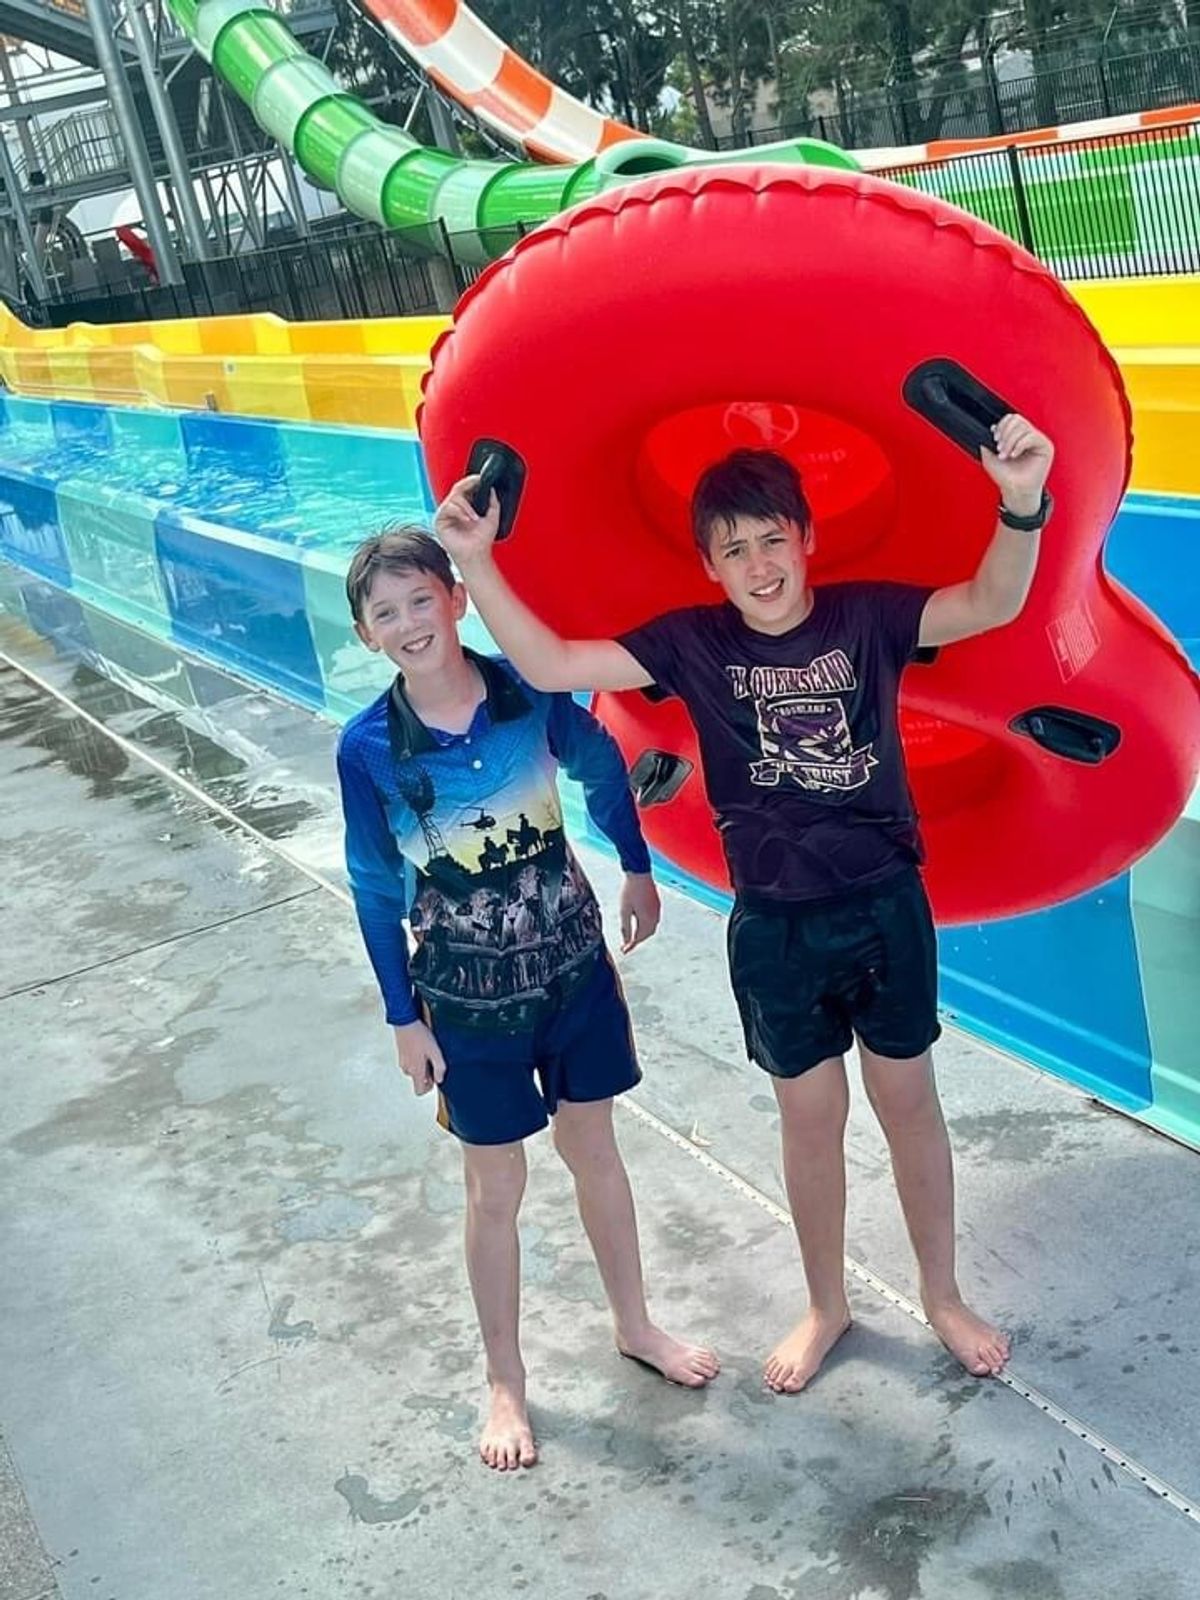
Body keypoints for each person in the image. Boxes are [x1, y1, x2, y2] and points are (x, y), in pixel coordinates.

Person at [435, 413, 1055, 1394]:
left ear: (806, 538)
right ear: (709, 565)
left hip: (885, 904)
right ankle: (827, 1303)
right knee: (810, 1118)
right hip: (776, 922)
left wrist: (1021, 502)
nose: (759, 564)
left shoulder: (867, 618)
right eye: (734, 549)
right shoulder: (694, 642)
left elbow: (990, 601)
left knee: (908, 1102)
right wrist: (476, 560)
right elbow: (554, 666)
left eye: (772, 539)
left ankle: (941, 1293)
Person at [335, 527, 720, 1471]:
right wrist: (402, 1017)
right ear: (366, 634)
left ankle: (635, 1324)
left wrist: (637, 868)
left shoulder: (531, 690)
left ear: (457, 599)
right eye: (386, 612)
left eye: (421, 599)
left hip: (574, 974)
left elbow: (601, 766)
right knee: (495, 1185)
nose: (409, 622)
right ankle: (505, 1378)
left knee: (595, 1149)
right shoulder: (369, 751)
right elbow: (375, 889)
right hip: (466, 1004)